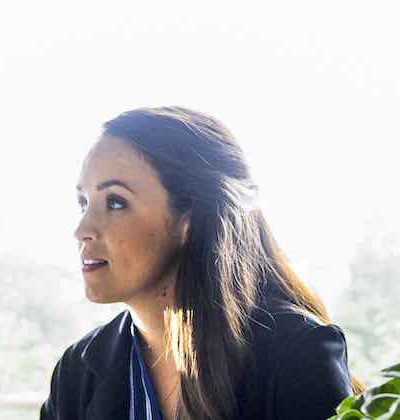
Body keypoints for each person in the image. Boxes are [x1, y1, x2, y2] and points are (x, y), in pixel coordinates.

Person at [41, 107, 360, 420]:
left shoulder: (296, 355)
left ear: (188, 217)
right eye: (83, 203)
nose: (82, 230)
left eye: (115, 202)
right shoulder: (77, 372)